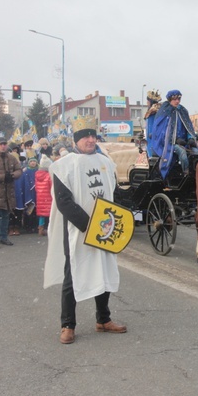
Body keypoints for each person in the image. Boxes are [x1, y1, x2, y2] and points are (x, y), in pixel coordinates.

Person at [43, 116, 127, 345]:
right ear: (76, 139)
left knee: (104, 270)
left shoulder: (106, 161)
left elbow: (114, 193)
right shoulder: (64, 166)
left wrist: (116, 218)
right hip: (78, 230)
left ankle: (103, 319)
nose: (90, 140)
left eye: (93, 135)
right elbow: (64, 202)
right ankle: (67, 325)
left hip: (105, 228)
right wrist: (89, 225)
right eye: (85, 136)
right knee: (73, 275)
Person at [149, 89, 197, 179]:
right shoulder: (165, 112)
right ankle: (186, 175)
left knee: (197, 153)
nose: (177, 101)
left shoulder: (182, 111)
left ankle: (196, 174)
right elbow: (161, 133)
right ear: (170, 99)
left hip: (184, 143)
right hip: (168, 144)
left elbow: (189, 127)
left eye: (179, 99)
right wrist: (175, 140)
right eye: (175, 99)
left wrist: (190, 138)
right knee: (182, 154)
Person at [34, 154, 53, 236]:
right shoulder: (49, 176)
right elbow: (51, 186)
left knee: (42, 214)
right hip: (48, 197)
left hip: (40, 197)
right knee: (50, 214)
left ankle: (40, 229)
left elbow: (36, 187)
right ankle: (49, 229)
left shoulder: (37, 175)